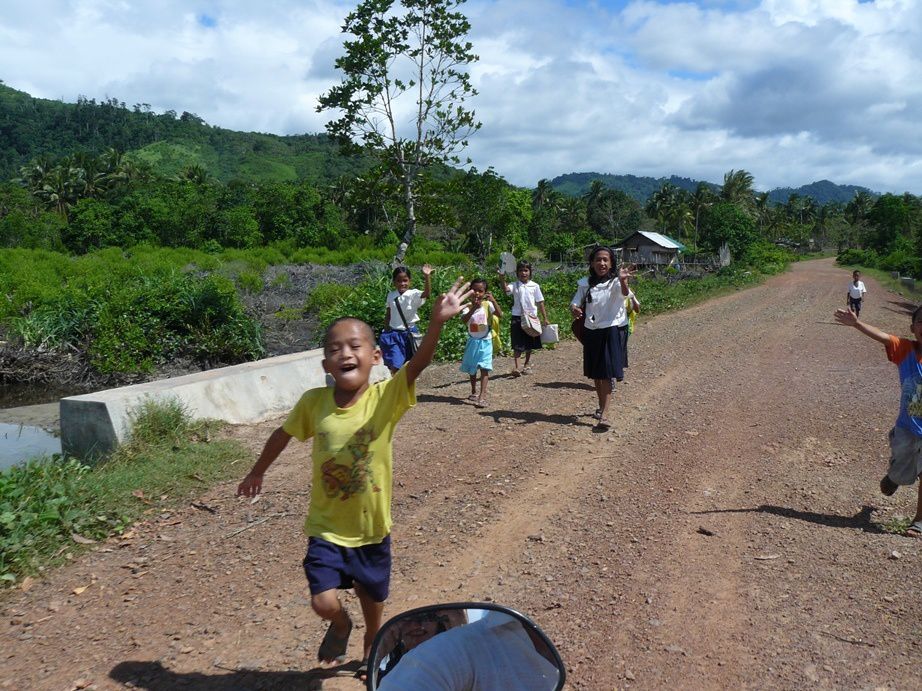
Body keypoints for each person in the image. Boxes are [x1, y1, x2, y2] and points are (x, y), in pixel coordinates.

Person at [236, 277, 472, 670]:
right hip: (326, 526)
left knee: (373, 597)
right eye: (334, 349)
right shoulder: (314, 403)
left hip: (371, 528)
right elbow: (282, 435)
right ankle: (341, 624)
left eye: (354, 346)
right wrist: (256, 471)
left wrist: (436, 323)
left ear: (376, 356)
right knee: (322, 601)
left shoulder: (387, 397)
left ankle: (372, 639)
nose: (345, 353)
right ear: (325, 363)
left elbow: (418, 364)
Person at [834, 305, 922, 538]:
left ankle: (919, 522)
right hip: (907, 428)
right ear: (913, 327)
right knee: (900, 470)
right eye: (921, 322)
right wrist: (856, 324)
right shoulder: (905, 349)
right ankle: (894, 477)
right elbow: (883, 336)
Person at [378, 610, 561, 691]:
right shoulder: (402, 661)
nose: (416, 625)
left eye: (430, 618)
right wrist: (380, 649)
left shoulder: (452, 650)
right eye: (406, 622)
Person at [570, 246, 632, 431]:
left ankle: (604, 415)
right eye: (598, 259)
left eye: (606, 259)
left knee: (605, 374)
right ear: (592, 263)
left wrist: (623, 280)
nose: (602, 263)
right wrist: (574, 308)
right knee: (597, 375)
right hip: (591, 331)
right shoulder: (585, 284)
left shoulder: (615, 282)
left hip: (610, 330)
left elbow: (625, 294)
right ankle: (601, 406)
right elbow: (575, 301)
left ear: (611, 263)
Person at [496, 260, 548, 376]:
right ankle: (517, 367)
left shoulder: (535, 286)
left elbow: (540, 302)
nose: (523, 273)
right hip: (517, 317)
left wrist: (545, 318)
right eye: (521, 270)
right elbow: (505, 290)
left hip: (531, 317)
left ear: (530, 272)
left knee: (530, 342)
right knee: (517, 342)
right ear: (517, 272)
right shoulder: (514, 285)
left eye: (526, 270)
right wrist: (502, 277)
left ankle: (527, 364)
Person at [379, 264, 433, 374]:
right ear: (394, 282)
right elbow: (388, 313)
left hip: (409, 334)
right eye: (399, 281)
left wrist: (427, 277)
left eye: (405, 280)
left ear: (409, 281)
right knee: (394, 363)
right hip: (394, 334)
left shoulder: (413, 294)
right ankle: (394, 387)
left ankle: (404, 386)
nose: (402, 283)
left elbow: (427, 293)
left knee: (409, 364)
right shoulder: (391, 295)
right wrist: (386, 330)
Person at [459, 278, 502, 408]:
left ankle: (482, 396)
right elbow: (464, 320)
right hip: (473, 341)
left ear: (485, 293)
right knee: (472, 368)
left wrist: (493, 300)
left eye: (480, 291)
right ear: (469, 291)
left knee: (485, 368)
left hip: (485, 340)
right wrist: (473, 309)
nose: (477, 293)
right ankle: (473, 391)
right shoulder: (466, 306)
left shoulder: (488, 305)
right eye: (474, 290)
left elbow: (500, 315)